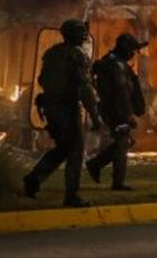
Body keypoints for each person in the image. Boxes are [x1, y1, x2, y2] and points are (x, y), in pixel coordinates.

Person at [23, 19, 101, 207]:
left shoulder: (52, 53)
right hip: (66, 108)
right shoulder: (78, 56)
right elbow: (85, 88)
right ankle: (71, 195)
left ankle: (33, 179)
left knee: (63, 148)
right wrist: (94, 114)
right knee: (75, 150)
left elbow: (42, 79)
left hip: (50, 106)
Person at [86, 33, 147, 190]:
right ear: (125, 49)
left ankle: (95, 165)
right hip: (117, 110)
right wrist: (128, 115)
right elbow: (122, 93)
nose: (133, 54)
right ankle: (117, 182)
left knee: (124, 142)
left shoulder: (112, 61)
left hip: (111, 109)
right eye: (132, 50)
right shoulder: (117, 66)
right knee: (122, 143)